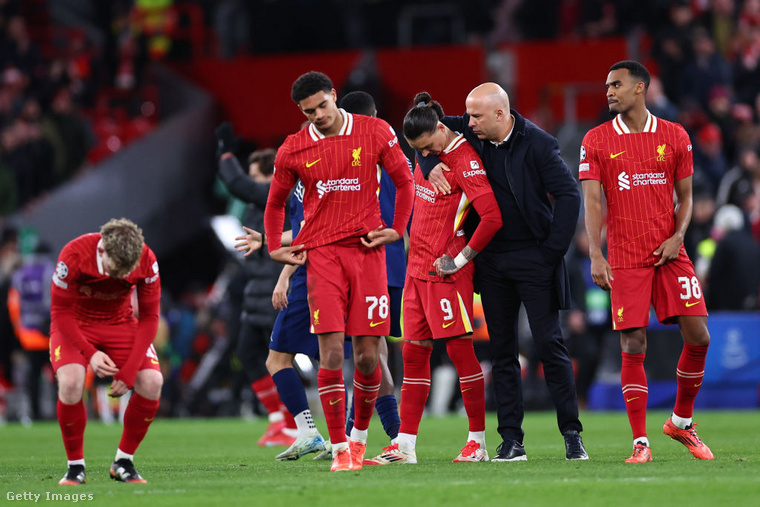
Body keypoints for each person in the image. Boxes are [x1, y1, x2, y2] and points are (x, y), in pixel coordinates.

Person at [418, 83, 586, 461]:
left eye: (475, 116)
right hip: (491, 259)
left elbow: (569, 195)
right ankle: (512, 440)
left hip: (534, 257)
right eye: (468, 114)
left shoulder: (540, 145)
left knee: (549, 344)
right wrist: (429, 164)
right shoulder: (470, 129)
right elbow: (421, 130)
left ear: (500, 114)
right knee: (502, 351)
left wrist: (551, 252)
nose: (467, 122)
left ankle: (572, 435)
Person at [263, 71, 414, 472]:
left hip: (367, 255)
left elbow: (404, 179)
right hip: (323, 258)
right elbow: (275, 202)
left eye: (322, 106)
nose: (318, 116)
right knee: (330, 353)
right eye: (308, 111)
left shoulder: (375, 131)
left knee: (368, 358)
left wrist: (397, 229)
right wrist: (275, 247)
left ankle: (360, 441)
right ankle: (339, 449)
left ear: (334, 96)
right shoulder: (293, 149)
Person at [580, 60, 714, 463]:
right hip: (625, 256)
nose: (609, 91)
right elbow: (591, 200)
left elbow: (686, 197)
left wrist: (678, 237)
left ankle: (681, 422)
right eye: (606, 85)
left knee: (699, 336)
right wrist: (595, 253)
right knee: (632, 342)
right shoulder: (597, 139)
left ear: (640, 88)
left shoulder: (674, 135)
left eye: (616, 84)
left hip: (671, 252)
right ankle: (641, 442)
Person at [365, 92, 502, 465]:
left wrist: (460, 259)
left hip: (446, 275)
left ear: (441, 129)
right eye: (417, 151)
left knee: (460, 353)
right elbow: (419, 148)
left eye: (426, 148)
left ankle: (477, 443)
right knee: (412, 355)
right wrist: (425, 162)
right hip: (415, 271)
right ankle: (405, 445)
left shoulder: (465, 161)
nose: (422, 153)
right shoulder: (426, 151)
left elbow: (491, 217)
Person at [51, 218, 163, 484]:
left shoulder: (147, 259)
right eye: (118, 269)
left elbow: (150, 317)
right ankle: (75, 467)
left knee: (152, 381)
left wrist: (130, 370)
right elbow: (60, 312)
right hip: (75, 323)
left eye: (128, 269)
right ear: (102, 252)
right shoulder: (74, 255)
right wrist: (90, 354)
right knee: (71, 383)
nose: (124, 275)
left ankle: (123, 462)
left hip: (120, 322)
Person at [215, 138, 298, 447]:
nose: (252, 183)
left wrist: (224, 152)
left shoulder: (278, 193)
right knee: (251, 352)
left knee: (281, 357)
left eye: (256, 176)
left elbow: (237, 183)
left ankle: (293, 422)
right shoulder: (255, 204)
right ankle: (279, 420)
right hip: (256, 286)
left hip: (277, 284)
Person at [339, 90, 404, 448]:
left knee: (370, 354)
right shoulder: (395, 152)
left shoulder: (350, 154)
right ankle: (360, 434)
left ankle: (393, 436)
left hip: (363, 263)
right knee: (371, 352)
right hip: (394, 265)